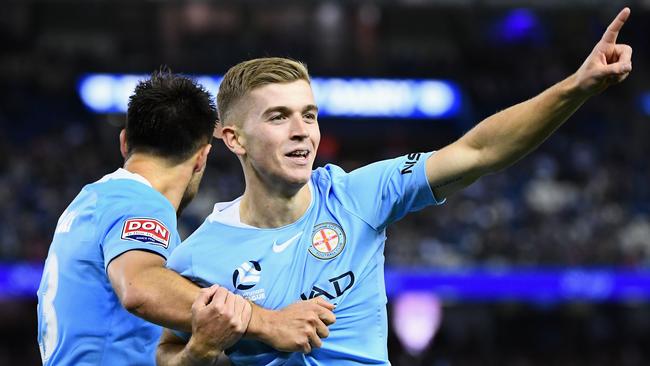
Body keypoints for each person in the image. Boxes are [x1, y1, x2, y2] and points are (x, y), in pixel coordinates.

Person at [158, 7, 633, 365]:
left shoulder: (358, 195)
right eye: (279, 117)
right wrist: (201, 349)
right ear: (233, 137)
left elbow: (479, 152)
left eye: (309, 114)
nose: (302, 130)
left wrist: (575, 88)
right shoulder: (196, 256)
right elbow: (166, 356)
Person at [36, 70, 336, 365]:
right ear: (202, 157)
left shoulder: (91, 200)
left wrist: (202, 352)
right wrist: (268, 323)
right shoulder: (138, 202)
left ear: (124, 142)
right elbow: (140, 287)